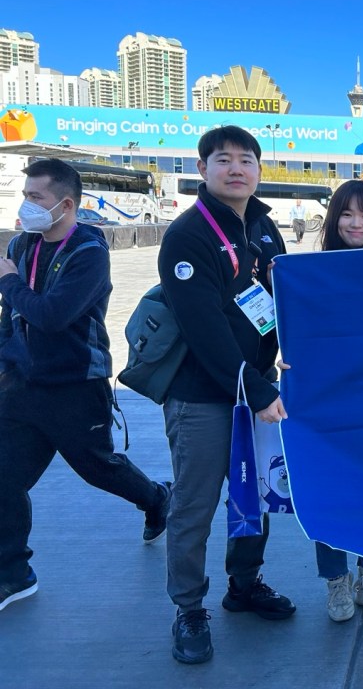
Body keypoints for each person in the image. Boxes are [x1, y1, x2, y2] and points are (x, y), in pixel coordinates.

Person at [0, 159, 171, 614]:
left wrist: (8, 282)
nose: (25, 205)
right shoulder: (21, 245)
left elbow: (52, 316)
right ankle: (13, 573)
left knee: (98, 467)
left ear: (65, 204)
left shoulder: (88, 253)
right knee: (4, 478)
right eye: (25, 195)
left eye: (35, 197)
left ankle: (156, 498)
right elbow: (12, 316)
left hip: (76, 385)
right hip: (22, 386)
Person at [158, 126, 293, 664]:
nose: (236, 168)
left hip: (255, 390)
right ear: (203, 169)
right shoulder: (188, 234)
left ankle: (245, 583)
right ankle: (189, 608)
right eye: (223, 159)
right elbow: (204, 327)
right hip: (203, 396)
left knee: (253, 497)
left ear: (259, 169)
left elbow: (280, 303)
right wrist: (257, 389)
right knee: (194, 506)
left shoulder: (263, 226)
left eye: (245, 160)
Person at [280, 182, 363, 622]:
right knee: (328, 489)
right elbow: (286, 326)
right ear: (333, 219)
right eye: (347, 214)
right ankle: (335, 580)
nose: (356, 224)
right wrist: (282, 355)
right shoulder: (309, 272)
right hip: (325, 402)